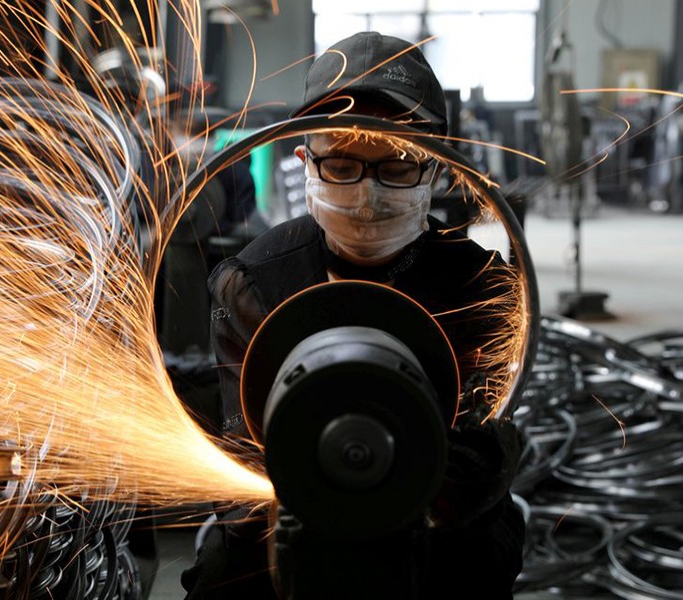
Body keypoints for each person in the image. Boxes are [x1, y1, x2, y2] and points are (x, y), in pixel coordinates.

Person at [181, 32, 525, 599]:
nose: (367, 194)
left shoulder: (482, 286)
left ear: (438, 169)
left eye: (398, 165)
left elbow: (486, 435)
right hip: (286, 509)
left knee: (480, 562)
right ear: (305, 162)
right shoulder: (254, 284)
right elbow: (242, 469)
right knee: (224, 577)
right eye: (342, 162)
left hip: (438, 515)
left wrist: (475, 477)